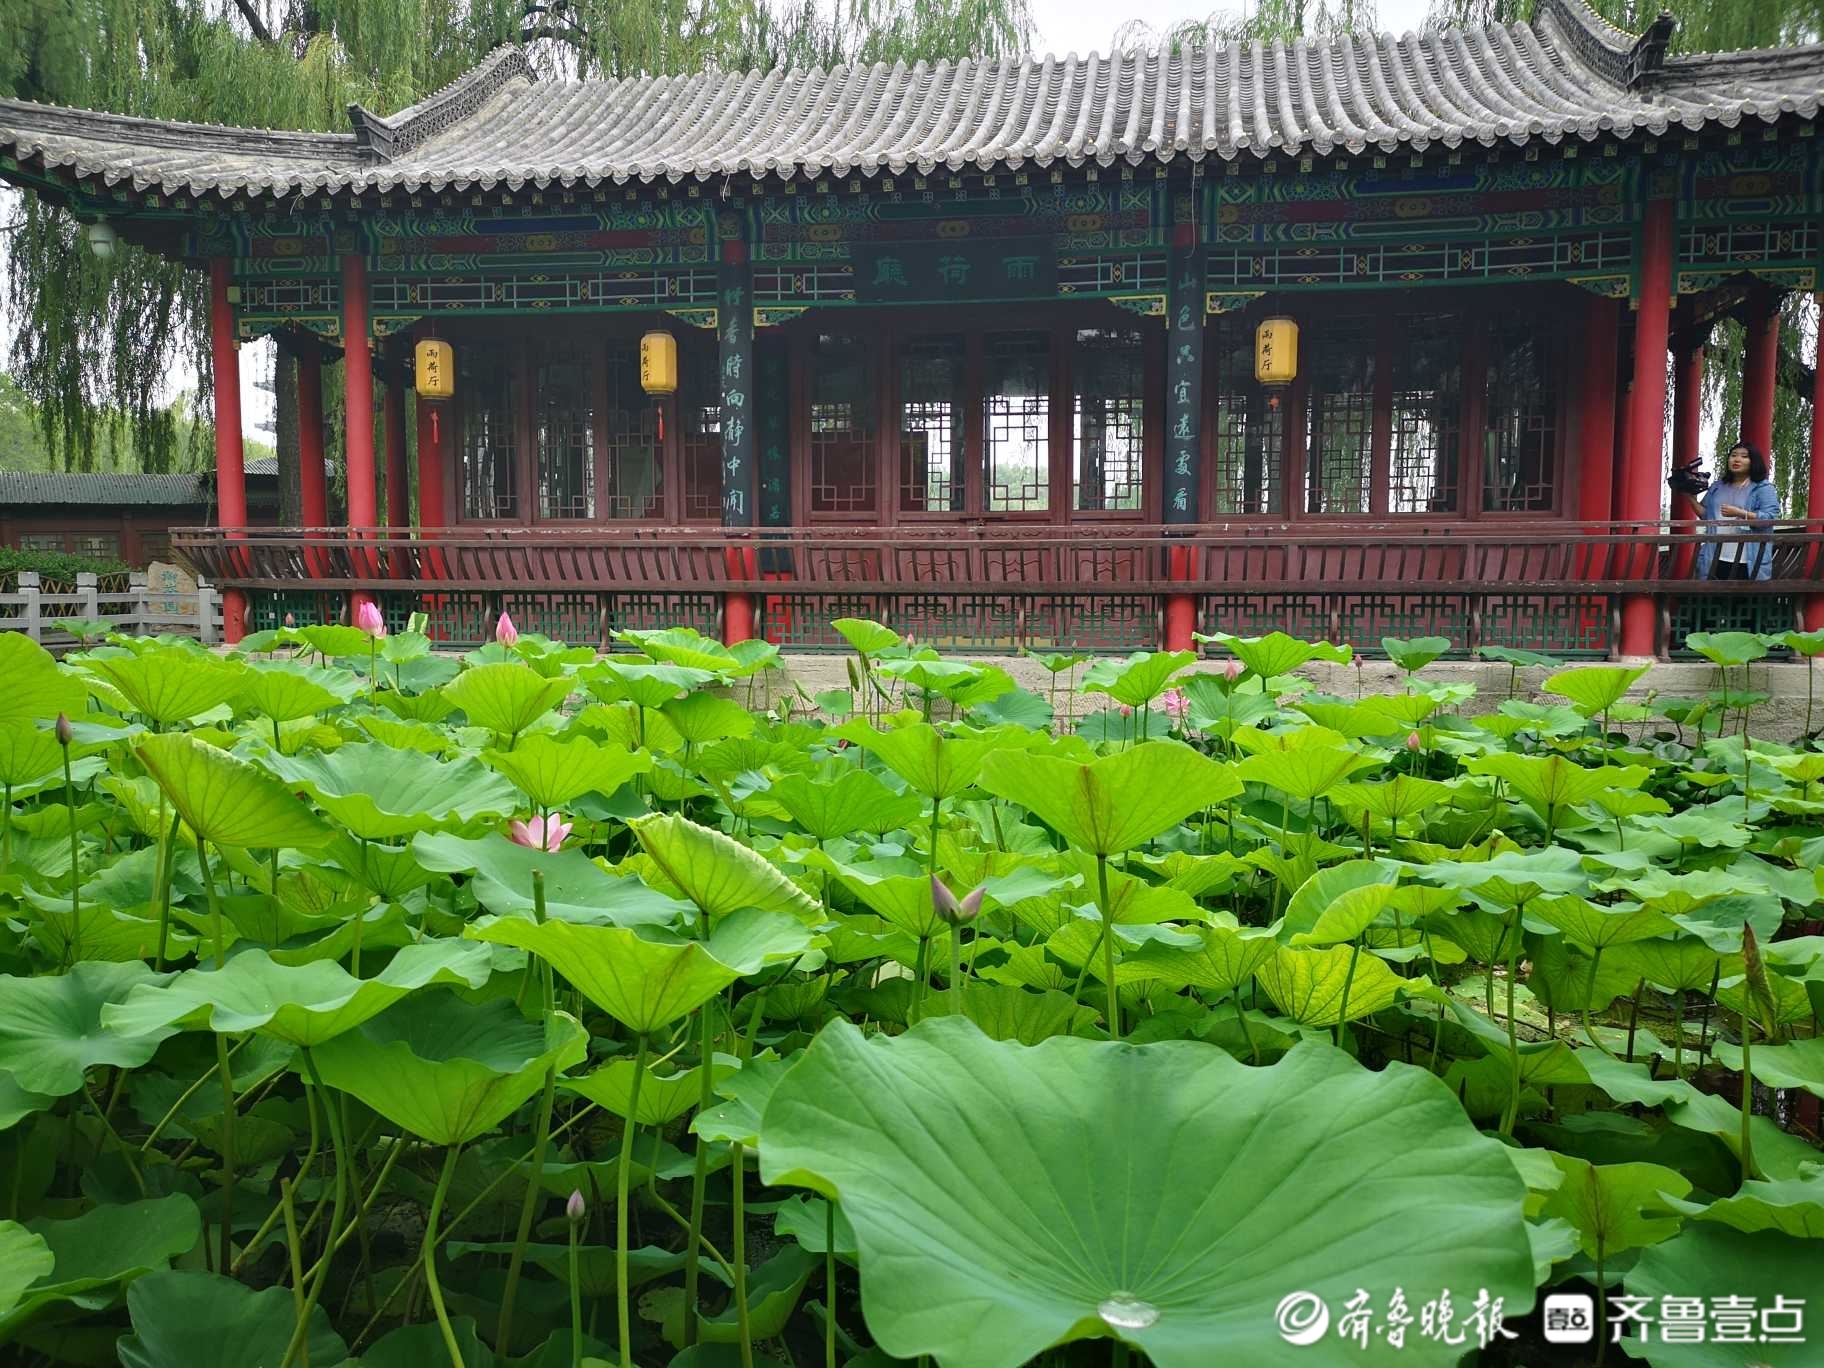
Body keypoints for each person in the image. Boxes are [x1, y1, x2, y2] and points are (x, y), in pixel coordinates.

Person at [1692, 441, 1781, 581]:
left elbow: (1769, 518)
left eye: (1744, 456)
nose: (1737, 459)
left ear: (1753, 461)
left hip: (1748, 559)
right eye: (1733, 455)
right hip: (1715, 555)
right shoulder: (1718, 486)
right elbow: (1705, 515)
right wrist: (1688, 495)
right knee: (1717, 600)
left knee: (1744, 600)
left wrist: (1740, 513)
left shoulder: (1763, 488)